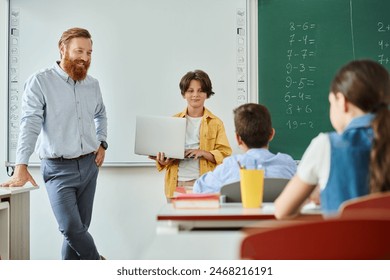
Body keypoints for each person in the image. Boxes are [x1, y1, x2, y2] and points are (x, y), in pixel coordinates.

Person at [1, 27, 108, 260]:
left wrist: (103, 143)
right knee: (71, 228)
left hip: (89, 166)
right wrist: (21, 165)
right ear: (63, 49)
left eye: (89, 53)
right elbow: (29, 124)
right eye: (79, 51)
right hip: (58, 169)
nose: (85, 58)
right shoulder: (40, 82)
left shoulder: (93, 85)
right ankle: (99, 264)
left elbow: (101, 114)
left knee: (79, 231)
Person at [275, 59, 390, 218]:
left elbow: (281, 212)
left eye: (331, 102)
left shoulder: (326, 145)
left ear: (342, 101)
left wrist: (331, 203)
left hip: (343, 242)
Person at [150, 70, 232, 199]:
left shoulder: (216, 123)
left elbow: (225, 154)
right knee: (179, 219)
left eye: (200, 90)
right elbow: (165, 155)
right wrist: (163, 161)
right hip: (177, 183)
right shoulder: (173, 121)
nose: (195, 95)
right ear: (184, 94)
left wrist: (204, 152)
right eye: (190, 90)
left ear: (207, 94)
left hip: (204, 183)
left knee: (204, 219)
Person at [193, 103, 297, 194]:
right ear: (271, 134)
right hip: (276, 216)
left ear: (238, 139)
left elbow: (198, 188)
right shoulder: (288, 164)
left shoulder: (230, 165)